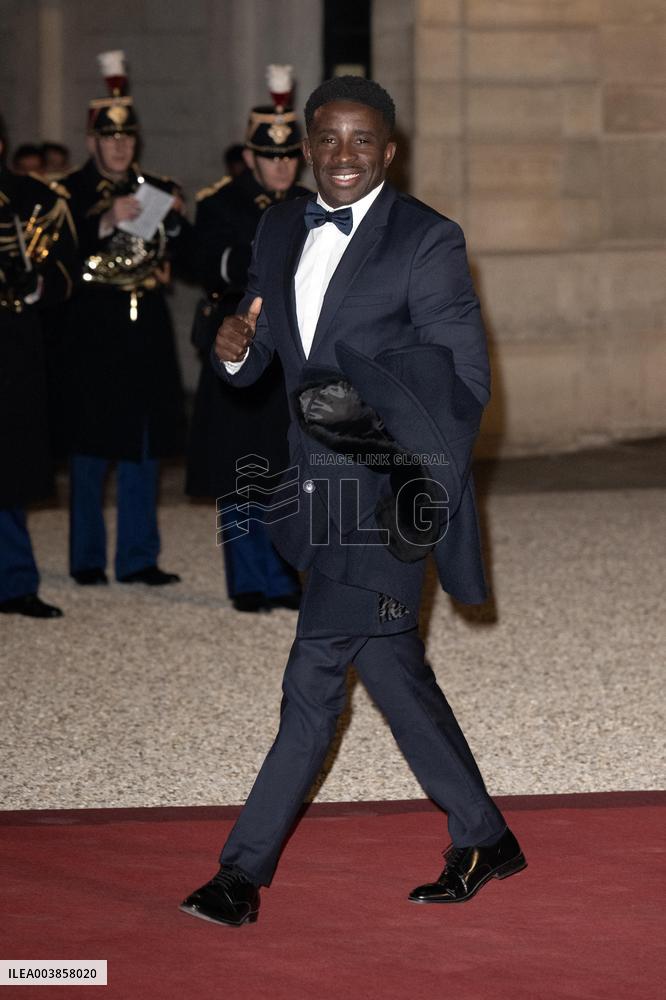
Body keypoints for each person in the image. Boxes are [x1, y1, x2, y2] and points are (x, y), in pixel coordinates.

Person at [181, 76, 526, 927]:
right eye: (327, 139)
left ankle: (240, 875)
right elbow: (261, 357)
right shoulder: (277, 224)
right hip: (312, 495)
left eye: (361, 140)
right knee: (391, 668)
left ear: (390, 149)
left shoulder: (428, 241)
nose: (343, 156)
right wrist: (230, 348)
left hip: (390, 500)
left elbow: (465, 384)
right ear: (306, 146)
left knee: (314, 673)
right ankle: (484, 835)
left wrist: (366, 428)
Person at [58, 51, 189, 587]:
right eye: (110, 138)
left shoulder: (155, 187)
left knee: (143, 447)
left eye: (127, 138)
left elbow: (185, 253)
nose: (119, 146)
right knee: (90, 449)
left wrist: (179, 222)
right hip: (92, 333)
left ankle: (138, 557)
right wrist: (104, 220)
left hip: (146, 330)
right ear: (92, 140)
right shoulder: (67, 194)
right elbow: (56, 260)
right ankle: (88, 559)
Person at [186, 68, 310, 612]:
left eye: (288, 156)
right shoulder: (221, 203)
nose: (281, 165)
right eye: (270, 155)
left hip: (292, 353)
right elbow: (202, 262)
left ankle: (284, 578)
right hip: (239, 344)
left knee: (287, 467)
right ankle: (248, 581)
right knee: (239, 468)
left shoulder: (314, 202)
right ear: (251, 156)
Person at [0, 130, 77, 618]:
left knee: (6, 467)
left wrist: (35, 285)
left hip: (9, 348)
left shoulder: (34, 196)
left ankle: (14, 582)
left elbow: (67, 268)